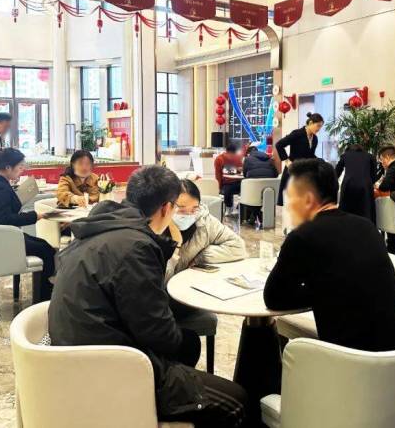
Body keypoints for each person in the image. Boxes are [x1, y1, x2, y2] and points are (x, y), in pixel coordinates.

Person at [48, 166, 249, 428]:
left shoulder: (100, 228)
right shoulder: (136, 247)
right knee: (237, 401)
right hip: (108, 368)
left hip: (73, 354)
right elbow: (159, 334)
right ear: (166, 208)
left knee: (188, 346)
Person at [264, 159, 395, 352]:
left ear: (307, 199)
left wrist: (319, 290)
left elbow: (273, 297)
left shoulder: (302, 237)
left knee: (279, 333)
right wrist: (327, 288)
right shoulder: (366, 226)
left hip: (349, 362)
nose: (288, 207)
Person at [0, 148, 56, 300]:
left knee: (44, 245)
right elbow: (5, 220)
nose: (22, 171)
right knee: (46, 251)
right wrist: (35, 216)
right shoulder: (0, 188)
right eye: (19, 167)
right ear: (8, 168)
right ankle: (44, 297)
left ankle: (45, 294)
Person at [165, 179, 246, 281]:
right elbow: (160, 281)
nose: (188, 215)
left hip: (193, 282)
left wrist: (200, 257)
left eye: (194, 209)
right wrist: (176, 245)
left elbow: (238, 247)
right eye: (181, 210)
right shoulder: (157, 226)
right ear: (168, 207)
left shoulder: (204, 221)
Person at [275, 112, 324, 206]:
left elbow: (310, 155)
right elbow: (279, 145)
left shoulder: (315, 139)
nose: (319, 129)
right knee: (291, 203)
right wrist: (287, 162)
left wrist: (320, 161)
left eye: (320, 127)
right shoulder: (297, 134)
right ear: (310, 123)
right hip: (293, 171)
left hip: (304, 173)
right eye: (318, 126)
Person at [335, 143, 376, 222]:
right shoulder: (370, 156)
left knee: (346, 212)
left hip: (348, 186)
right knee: (366, 212)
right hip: (365, 186)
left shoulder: (345, 155)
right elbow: (373, 175)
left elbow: (337, 172)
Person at [242, 144, 278, 223]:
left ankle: (253, 215)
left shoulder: (247, 159)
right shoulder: (269, 158)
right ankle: (258, 215)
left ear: (248, 153)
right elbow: (276, 174)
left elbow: (244, 175)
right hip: (270, 188)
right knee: (258, 195)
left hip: (255, 187)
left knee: (248, 191)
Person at [214, 143, 243, 212]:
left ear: (226, 150)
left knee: (227, 190)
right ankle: (239, 208)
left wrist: (219, 187)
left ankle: (229, 209)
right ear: (235, 151)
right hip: (240, 185)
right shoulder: (239, 158)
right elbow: (240, 172)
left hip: (227, 186)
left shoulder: (219, 159)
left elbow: (218, 175)